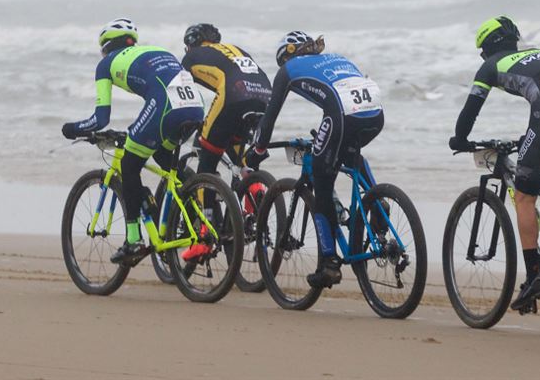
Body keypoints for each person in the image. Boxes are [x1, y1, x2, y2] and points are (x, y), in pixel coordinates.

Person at [448, 16, 540, 313]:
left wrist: (460, 138)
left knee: (525, 195)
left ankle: (533, 277)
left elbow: (471, 109)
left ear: (487, 47)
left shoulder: (491, 66)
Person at [246, 31, 385, 289]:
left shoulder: (288, 70)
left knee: (321, 181)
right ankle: (378, 204)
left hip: (342, 115)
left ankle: (329, 264)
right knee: (349, 154)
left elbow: (269, 117)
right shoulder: (336, 58)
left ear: (285, 56)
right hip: (375, 112)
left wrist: (256, 152)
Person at [62, 18, 206, 266]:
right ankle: (199, 222)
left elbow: (101, 119)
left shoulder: (106, 64)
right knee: (164, 157)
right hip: (195, 106)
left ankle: (133, 240)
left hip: (166, 107)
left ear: (106, 46)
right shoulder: (156, 51)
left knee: (129, 164)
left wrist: (72, 129)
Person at [180, 23, 273, 175]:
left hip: (234, 95)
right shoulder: (234, 49)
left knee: (208, 155)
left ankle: (206, 194)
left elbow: (182, 93)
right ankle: (255, 187)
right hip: (264, 95)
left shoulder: (191, 57)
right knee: (238, 149)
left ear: (191, 43)